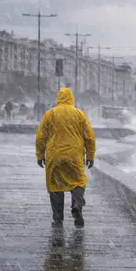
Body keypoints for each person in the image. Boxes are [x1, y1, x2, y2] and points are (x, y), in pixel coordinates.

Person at [35, 88, 96, 228]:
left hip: (55, 156)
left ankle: (57, 220)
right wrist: (90, 156)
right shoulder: (79, 114)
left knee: (56, 186)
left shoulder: (50, 114)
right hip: (74, 156)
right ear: (71, 98)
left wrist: (40, 155)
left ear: (58, 98)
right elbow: (90, 137)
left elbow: (41, 137)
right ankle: (76, 203)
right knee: (78, 182)